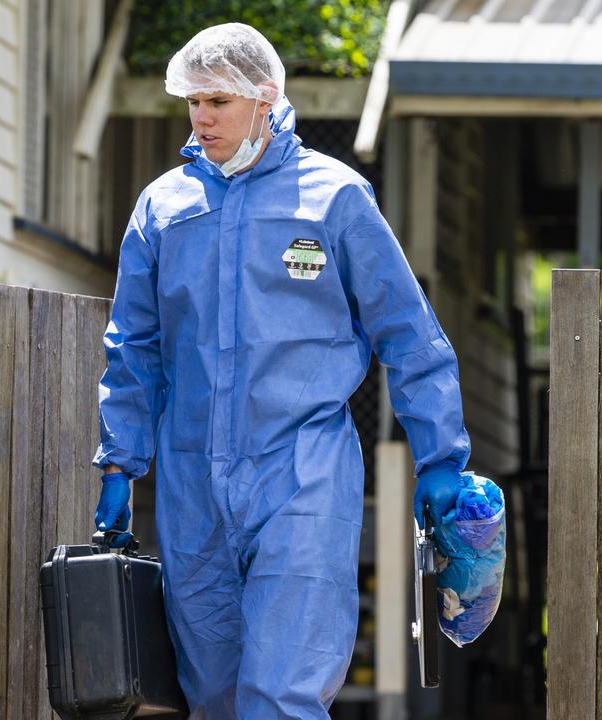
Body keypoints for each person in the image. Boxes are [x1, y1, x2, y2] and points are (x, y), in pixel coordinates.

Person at [92, 22, 470, 719]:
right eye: (193, 102)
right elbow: (133, 346)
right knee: (213, 694)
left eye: (218, 102)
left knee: (278, 697)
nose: (201, 117)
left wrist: (439, 456)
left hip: (302, 474)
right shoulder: (164, 207)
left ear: (265, 99)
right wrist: (119, 465)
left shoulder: (334, 199)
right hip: (192, 485)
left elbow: (408, 334)